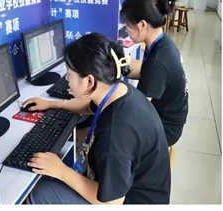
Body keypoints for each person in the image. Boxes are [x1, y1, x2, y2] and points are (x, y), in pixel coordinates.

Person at [23, 34, 170, 204]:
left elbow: (112, 202)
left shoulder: (115, 132)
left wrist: (61, 171)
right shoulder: (117, 90)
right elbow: (89, 106)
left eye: (69, 74)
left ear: (89, 82)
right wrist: (51, 104)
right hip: (134, 186)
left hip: (130, 202)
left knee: (39, 193)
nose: (66, 79)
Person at [120, 0, 189, 146]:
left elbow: (137, 111)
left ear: (142, 25)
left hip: (165, 128)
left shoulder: (158, 62)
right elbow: (145, 71)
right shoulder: (163, 43)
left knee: (109, 133)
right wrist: (119, 66)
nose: (126, 30)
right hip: (170, 116)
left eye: (127, 24)